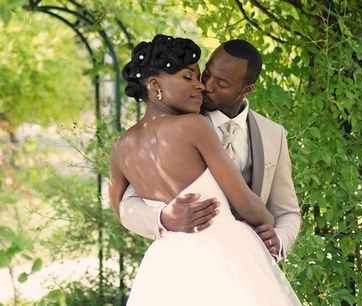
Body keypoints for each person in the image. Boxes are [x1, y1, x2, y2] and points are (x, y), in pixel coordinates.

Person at [109, 34, 301, 305]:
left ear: (245, 89)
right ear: (155, 85)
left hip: (238, 265)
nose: (203, 86)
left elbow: (288, 210)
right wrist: (163, 218)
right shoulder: (189, 123)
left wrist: (276, 239)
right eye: (201, 76)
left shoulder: (274, 135)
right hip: (191, 266)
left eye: (219, 83)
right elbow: (126, 203)